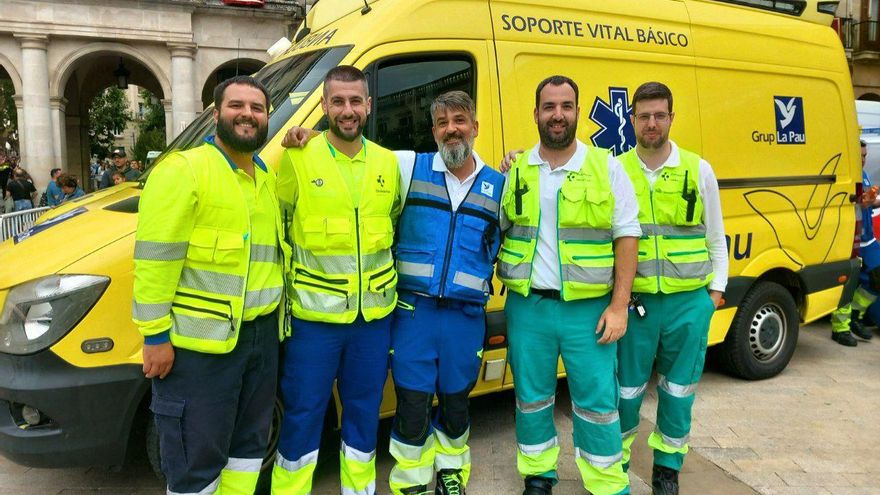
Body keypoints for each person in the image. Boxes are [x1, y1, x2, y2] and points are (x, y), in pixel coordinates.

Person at [280, 90, 504, 495]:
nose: (451, 130)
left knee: (456, 402)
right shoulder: (406, 166)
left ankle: (452, 473)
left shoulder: (501, 185)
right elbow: (352, 153)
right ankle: (410, 481)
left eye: (459, 121)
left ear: (475, 126)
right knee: (413, 403)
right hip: (414, 314)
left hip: (465, 318)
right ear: (433, 131)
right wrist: (307, 134)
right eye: (442, 123)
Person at [133, 75, 289, 495]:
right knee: (194, 461)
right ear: (215, 114)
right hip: (197, 351)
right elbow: (154, 260)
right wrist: (155, 336)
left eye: (257, 108)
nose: (247, 115)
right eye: (237, 106)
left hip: (258, 338)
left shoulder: (265, 177)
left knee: (247, 451)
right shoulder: (183, 170)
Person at [497, 75, 639, 495]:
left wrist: (619, 306)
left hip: (589, 312)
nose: (557, 115)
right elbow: (500, 226)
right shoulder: (517, 169)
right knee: (531, 397)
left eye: (565, 106)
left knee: (597, 403)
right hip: (529, 308)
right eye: (549, 107)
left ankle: (607, 484)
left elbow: (626, 237)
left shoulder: (605, 166)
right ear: (536, 113)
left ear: (577, 111)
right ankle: (538, 476)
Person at [271, 66, 401, 495]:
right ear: (324, 106)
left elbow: (394, 225)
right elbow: (277, 224)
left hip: (373, 319)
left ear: (369, 105)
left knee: (364, 413)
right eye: (338, 101)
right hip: (314, 321)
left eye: (355, 101)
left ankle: (358, 490)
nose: (348, 110)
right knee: (304, 413)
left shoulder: (387, 162)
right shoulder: (297, 157)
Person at [614, 82, 727, 495]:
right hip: (636, 304)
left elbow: (716, 236)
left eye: (660, 115)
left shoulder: (698, 169)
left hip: (688, 305)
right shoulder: (615, 169)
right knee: (625, 391)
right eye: (644, 116)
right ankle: (618, 464)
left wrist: (713, 296)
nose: (652, 123)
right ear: (632, 120)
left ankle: (667, 470)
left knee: (678, 393)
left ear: (671, 118)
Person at [830, 140, 880, 346]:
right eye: (860, 155)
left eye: (865, 155)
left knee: (877, 277)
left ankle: (857, 316)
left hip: (867, 238)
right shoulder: (844, 176)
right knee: (847, 283)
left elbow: (867, 204)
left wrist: (874, 201)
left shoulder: (865, 175)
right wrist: (862, 202)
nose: (863, 159)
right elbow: (844, 203)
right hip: (849, 238)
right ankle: (840, 328)